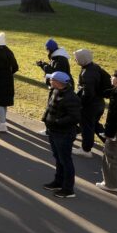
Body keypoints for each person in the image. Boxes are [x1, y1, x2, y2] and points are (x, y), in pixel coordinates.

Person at [42, 71, 81, 199]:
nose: (49, 81)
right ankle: (58, 182)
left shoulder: (71, 98)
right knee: (58, 158)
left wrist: (57, 122)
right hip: (54, 131)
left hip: (64, 133)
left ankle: (68, 189)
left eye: (52, 79)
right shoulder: (55, 91)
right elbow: (50, 107)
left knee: (65, 160)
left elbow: (74, 117)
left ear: (59, 82)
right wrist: (45, 119)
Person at [73, 49, 110, 158]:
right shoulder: (95, 67)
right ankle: (110, 144)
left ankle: (86, 149)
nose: (75, 60)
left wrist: (80, 104)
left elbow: (88, 93)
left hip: (90, 106)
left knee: (87, 127)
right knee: (95, 125)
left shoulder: (87, 73)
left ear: (82, 59)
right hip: (99, 103)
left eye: (77, 58)